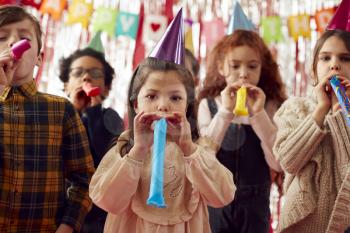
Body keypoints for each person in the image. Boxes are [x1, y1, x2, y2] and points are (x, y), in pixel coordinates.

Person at [89, 56, 236, 233]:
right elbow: (107, 200)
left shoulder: (197, 149)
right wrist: (139, 150)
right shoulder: (126, 146)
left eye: (175, 98)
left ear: (187, 106)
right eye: (152, 96)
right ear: (136, 104)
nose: (163, 105)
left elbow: (223, 195)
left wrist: (188, 149)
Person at [0, 5, 95, 233]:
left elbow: (84, 180)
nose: (13, 42)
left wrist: (67, 226)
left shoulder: (62, 110)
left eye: (23, 37)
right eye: (2, 37)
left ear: (39, 59)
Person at [197, 29, 287, 233]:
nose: (243, 73)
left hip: (256, 206)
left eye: (252, 66)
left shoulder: (271, 106)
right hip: (216, 203)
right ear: (221, 67)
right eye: (235, 66)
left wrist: (259, 115)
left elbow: (278, 162)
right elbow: (203, 157)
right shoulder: (208, 105)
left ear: (262, 68)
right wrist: (225, 111)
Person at [273, 29, 350, 233]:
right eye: (325, 58)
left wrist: (340, 112)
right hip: (303, 224)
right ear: (314, 70)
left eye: (345, 58)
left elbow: (347, 172)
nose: (334, 65)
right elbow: (289, 161)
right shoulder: (295, 108)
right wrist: (321, 108)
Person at [58, 47, 124, 233]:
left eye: (94, 73)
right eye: (78, 73)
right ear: (66, 84)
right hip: (60, 211)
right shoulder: (57, 116)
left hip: (98, 216)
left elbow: (108, 154)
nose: (86, 78)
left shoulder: (111, 117)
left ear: (107, 87)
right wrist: (74, 111)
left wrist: (94, 112)